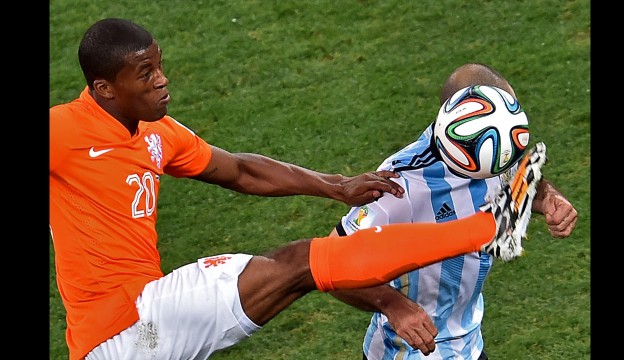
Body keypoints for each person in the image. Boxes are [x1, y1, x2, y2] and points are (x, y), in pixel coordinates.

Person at [49, 19, 536, 360]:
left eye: (159, 66)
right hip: (117, 329)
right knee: (303, 261)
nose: (163, 80)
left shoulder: (156, 131)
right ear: (105, 88)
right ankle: (489, 227)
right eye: (146, 74)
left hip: (148, 317)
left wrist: (337, 186)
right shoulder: (65, 131)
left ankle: (489, 226)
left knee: (301, 266)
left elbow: (239, 170)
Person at [327, 63, 579, 360]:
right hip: (413, 350)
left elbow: (517, 177)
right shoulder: (400, 183)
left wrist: (549, 198)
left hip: (468, 344)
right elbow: (331, 261)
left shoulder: (492, 146)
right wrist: (393, 305)